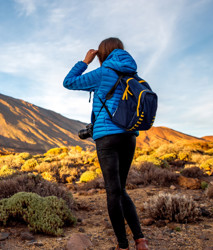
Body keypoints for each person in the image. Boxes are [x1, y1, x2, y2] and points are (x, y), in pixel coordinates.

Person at [63, 37, 149, 250]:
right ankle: (141, 241)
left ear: (102, 54)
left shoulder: (103, 73)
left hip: (107, 136)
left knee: (113, 191)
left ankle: (122, 245)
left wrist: (85, 61)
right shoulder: (133, 74)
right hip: (129, 136)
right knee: (121, 189)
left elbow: (69, 82)